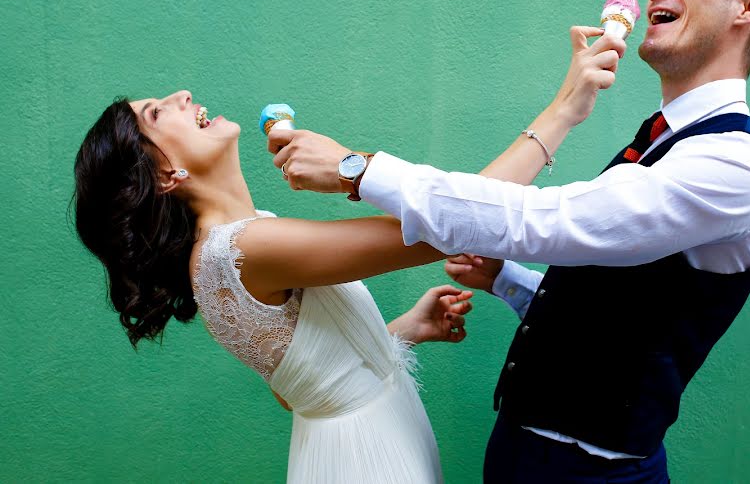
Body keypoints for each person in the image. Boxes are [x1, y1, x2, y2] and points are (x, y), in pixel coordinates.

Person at [269, 0, 750, 482]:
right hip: (524, 452)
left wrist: (358, 169)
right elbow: (614, 297)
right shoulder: (666, 140)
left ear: (748, 7)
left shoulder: (738, 164)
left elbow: (550, 220)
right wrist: (508, 281)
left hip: (590, 471)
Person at [72, 90, 477, 484]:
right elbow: (456, 222)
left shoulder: (229, 248)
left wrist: (405, 330)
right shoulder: (243, 249)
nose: (182, 94)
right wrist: (353, 169)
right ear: (164, 175)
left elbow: (295, 390)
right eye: (157, 114)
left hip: (360, 446)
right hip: (369, 459)